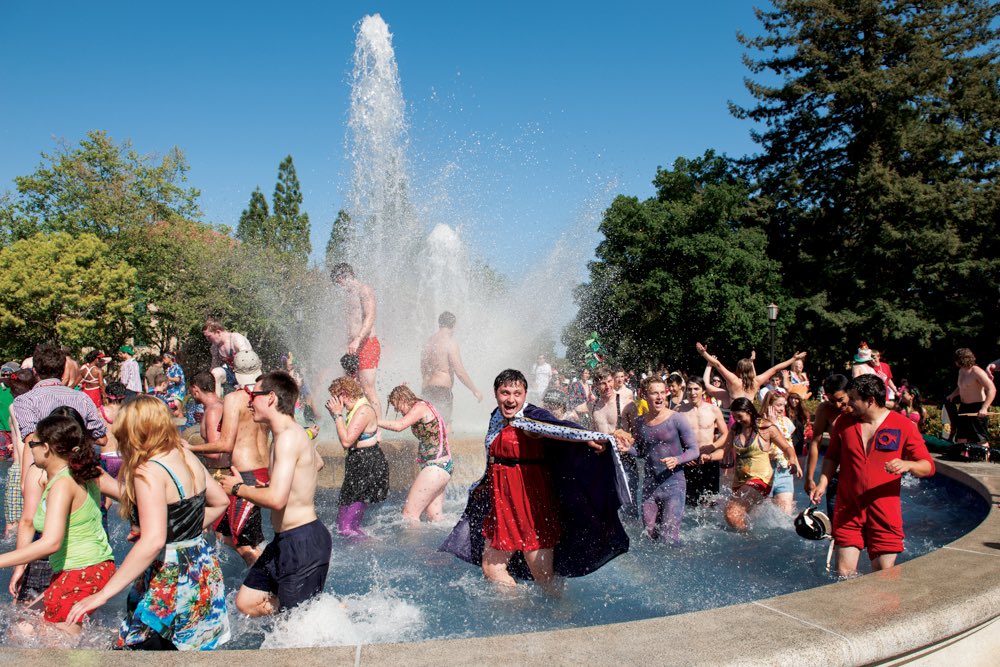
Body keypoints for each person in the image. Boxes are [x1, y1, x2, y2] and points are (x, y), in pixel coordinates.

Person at [440, 369, 629, 589]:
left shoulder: (531, 419)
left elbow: (561, 429)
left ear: (525, 394)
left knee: (543, 577)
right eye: (505, 393)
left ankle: (562, 616)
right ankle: (515, 611)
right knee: (492, 569)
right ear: (496, 393)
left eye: (517, 393)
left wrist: (589, 439)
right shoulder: (496, 416)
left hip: (530, 505)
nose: (511, 399)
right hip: (502, 505)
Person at [68, 395, 231, 649]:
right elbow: (220, 501)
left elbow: (153, 541)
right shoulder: (183, 454)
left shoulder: (148, 471)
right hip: (201, 567)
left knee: (143, 649)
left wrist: (102, 595)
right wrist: (178, 531)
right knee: (190, 649)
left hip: (170, 576)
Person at [221, 371, 330, 616]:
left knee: (298, 623)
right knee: (246, 602)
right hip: (286, 539)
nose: (249, 401)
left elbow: (277, 499)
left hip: (302, 540)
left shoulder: (288, 438)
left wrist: (239, 489)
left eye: (253, 395)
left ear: (270, 398)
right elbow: (317, 463)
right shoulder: (284, 435)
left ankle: (319, 611)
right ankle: (311, 609)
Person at [0, 414, 115, 639]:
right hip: (86, 569)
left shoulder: (63, 484)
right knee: (22, 628)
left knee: (54, 646)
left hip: (83, 571)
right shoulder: (79, 472)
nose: (30, 449)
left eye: (33, 444)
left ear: (46, 448)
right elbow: (129, 494)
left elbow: (51, 542)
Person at [809, 375, 935, 577]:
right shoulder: (844, 423)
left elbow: (928, 466)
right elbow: (832, 457)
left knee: (884, 574)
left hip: (884, 511)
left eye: (853, 399)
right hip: (849, 508)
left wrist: (907, 464)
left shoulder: (903, 426)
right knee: (844, 572)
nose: (848, 403)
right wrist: (822, 482)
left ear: (870, 401)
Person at [186, 350, 270, 565]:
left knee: (243, 544)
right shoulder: (267, 397)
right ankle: (268, 574)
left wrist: (189, 448)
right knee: (227, 533)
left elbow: (225, 445)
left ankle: (274, 587)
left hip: (244, 475)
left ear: (234, 371)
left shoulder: (235, 398)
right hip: (262, 471)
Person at [704, 398, 800, 532]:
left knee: (732, 512)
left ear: (749, 412)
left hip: (761, 480)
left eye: (740, 416)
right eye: (734, 416)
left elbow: (787, 448)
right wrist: (709, 456)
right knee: (738, 516)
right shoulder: (736, 429)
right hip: (740, 481)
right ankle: (750, 540)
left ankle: (748, 539)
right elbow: (725, 452)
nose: (737, 420)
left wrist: (793, 461)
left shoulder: (766, 428)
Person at [629, 377, 699, 544]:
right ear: (644, 395)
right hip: (650, 486)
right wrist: (628, 449)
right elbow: (640, 451)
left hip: (674, 485)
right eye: (655, 393)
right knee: (649, 536)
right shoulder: (640, 421)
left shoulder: (677, 419)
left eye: (662, 392)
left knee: (669, 538)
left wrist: (677, 459)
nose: (660, 397)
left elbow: (694, 450)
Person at [326, 375, 389, 537]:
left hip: (367, 464)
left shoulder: (364, 410)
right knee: (341, 525)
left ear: (345, 393)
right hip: (357, 462)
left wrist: (337, 415)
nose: (335, 402)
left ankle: (371, 549)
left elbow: (346, 441)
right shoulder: (353, 410)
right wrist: (338, 415)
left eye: (336, 397)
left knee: (348, 528)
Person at [379, 385, 452, 522]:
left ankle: (413, 544)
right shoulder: (423, 407)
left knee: (409, 515)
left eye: (396, 406)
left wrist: (373, 421)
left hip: (435, 467)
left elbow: (399, 426)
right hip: (443, 466)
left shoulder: (420, 408)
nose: (397, 410)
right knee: (435, 518)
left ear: (402, 398)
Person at [330, 263, 382, 417]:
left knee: (368, 389)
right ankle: (357, 423)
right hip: (353, 346)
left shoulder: (364, 290)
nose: (339, 287)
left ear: (342, 277)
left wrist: (358, 339)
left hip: (367, 344)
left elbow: (370, 316)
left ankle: (377, 430)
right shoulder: (348, 296)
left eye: (338, 282)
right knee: (348, 387)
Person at [420, 311, 483, 425]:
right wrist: (475, 390)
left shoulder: (428, 342)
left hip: (427, 389)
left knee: (427, 425)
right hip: (441, 391)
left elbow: (423, 369)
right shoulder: (450, 343)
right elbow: (460, 372)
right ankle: (444, 443)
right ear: (453, 325)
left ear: (440, 324)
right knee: (444, 425)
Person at [696, 342, 806, 404]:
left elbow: (718, 364)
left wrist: (704, 354)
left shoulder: (733, 380)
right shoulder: (756, 382)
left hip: (735, 417)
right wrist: (793, 359)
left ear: (738, 369)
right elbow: (775, 369)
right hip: (750, 417)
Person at [804, 373, 852, 516]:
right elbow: (815, 443)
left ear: (849, 392)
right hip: (836, 472)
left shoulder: (860, 409)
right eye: (831, 400)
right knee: (836, 522)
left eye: (840, 400)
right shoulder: (825, 410)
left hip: (858, 473)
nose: (837, 405)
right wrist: (809, 477)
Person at [676, 377, 728, 506]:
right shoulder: (679, 410)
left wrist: (712, 446)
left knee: (710, 501)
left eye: (696, 389)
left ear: (703, 391)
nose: (692, 392)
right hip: (689, 460)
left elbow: (726, 434)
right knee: (689, 502)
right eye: (689, 389)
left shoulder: (713, 410)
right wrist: (683, 454)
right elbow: (671, 437)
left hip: (709, 458)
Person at [944, 347, 995, 457]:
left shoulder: (977, 371)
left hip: (977, 407)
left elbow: (992, 389)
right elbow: (962, 387)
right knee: (961, 437)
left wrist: (985, 407)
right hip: (964, 407)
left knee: (980, 439)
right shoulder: (961, 371)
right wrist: (953, 394)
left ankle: (985, 461)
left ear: (961, 360)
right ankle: (961, 459)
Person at [761, 389, 797, 514]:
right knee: (765, 512)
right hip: (766, 471)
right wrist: (772, 423)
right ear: (769, 405)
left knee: (785, 514)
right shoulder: (760, 423)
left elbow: (788, 444)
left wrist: (795, 462)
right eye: (779, 405)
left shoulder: (786, 422)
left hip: (784, 470)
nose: (782, 409)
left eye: (783, 405)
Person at [187, 371, 229, 476]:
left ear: (195, 389)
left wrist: (190, 449)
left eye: (190, 391)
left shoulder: (213, 411)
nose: (191, 395)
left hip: (219, 472)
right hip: (222, 469)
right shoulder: (220, 404)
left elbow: (215, 453)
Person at [202, 317, 253, 398]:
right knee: (215, 373)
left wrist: (241, 383)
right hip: (232, 374)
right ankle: (216, 403)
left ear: (218, 332)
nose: (207, 340)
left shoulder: (236, 339)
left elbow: (248, 360)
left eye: (209, 336)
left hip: (249, 373)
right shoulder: (214, 348)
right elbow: (213, 367)